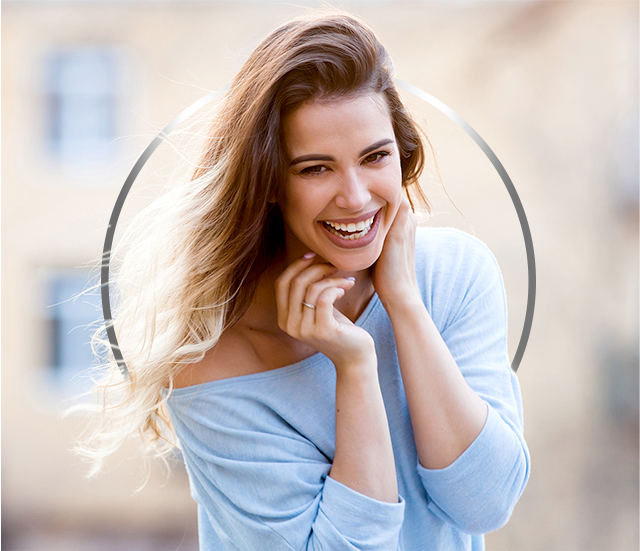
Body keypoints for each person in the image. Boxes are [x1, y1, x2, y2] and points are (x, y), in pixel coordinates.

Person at [77, 11, 530, 551]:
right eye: (316, 168)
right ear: (269, 180)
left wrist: (405, 305)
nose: (356, 196)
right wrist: (354, 367)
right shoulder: (213, 361)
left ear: (402, 157)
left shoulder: (457, 274)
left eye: (376, 156)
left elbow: (486, 503)